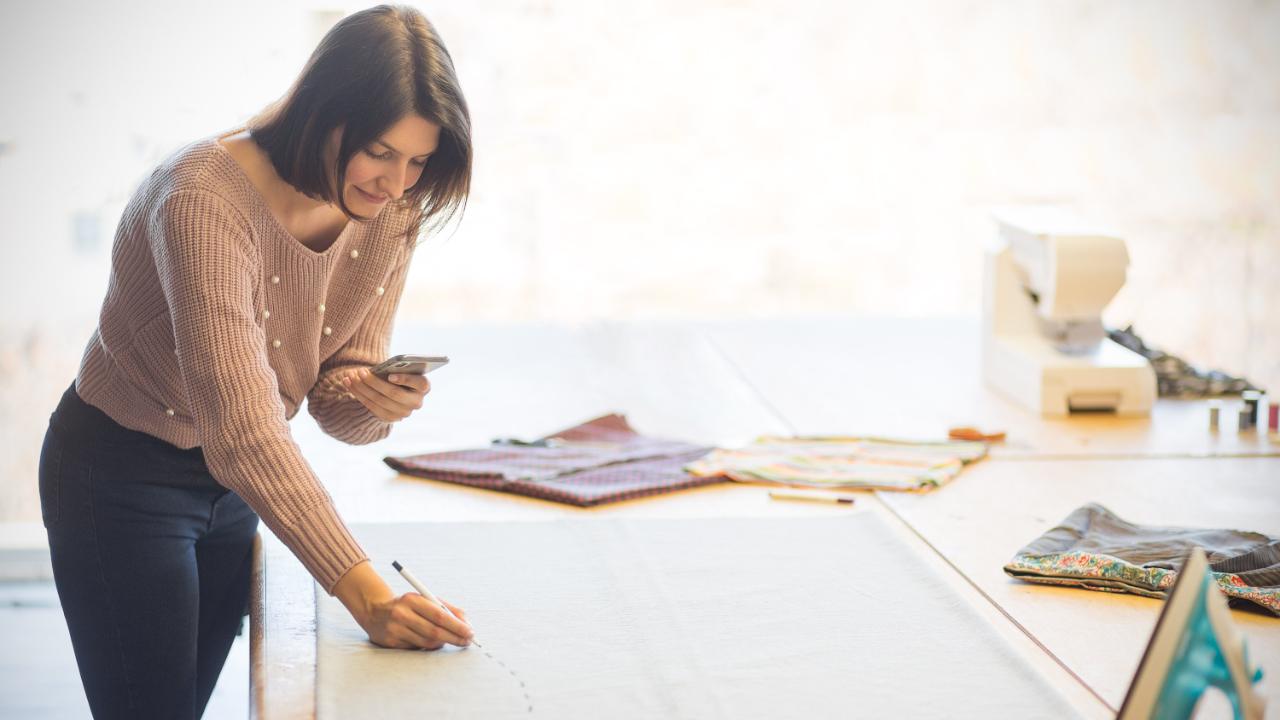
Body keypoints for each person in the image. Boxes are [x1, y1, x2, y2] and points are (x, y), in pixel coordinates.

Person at [37, 5, 474, 717]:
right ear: (321, 113)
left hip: (238, 486)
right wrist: (370, 597)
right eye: (380, 151)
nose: (396, 183)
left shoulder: (391, 209)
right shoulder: (201, 199)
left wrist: (372, 399)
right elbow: (242, 429)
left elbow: (331, 402)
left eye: (419, 161)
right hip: (120, 476)